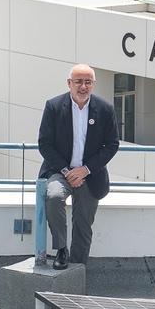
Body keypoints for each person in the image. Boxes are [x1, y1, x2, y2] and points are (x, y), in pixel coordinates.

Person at [37, 64, 119, 270]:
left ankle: (78, 266)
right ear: (69, 83)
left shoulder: (105, 109)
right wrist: (67, 171)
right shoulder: (54, 106)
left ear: (93, 84)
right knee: (54, 197)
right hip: (59, 171)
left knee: (83, 223)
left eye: (88, 82)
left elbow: (112, 145)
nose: (83, 86)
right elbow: (44, 144)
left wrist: (86, 170)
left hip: (90, 175)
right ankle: (61, 250)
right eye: (78, 82)